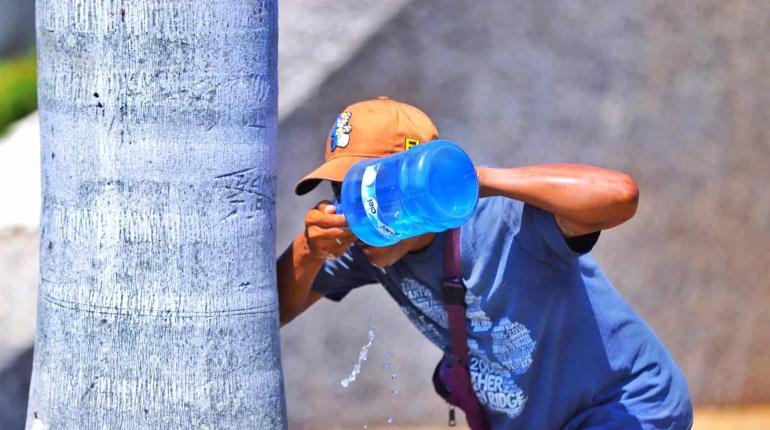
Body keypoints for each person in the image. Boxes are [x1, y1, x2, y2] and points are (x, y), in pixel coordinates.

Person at [277, 96, 693, 429]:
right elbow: (271, 312)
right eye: (339, 191)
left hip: (625, 405)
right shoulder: (366, 250)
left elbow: (620, 195)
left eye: (368, 190)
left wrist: (476, 179)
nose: (353, 210)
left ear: (415, 179)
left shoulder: (502, 223)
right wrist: (308, 251)